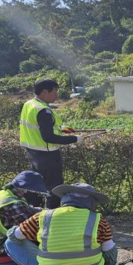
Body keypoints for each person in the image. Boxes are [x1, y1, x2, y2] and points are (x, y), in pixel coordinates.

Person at [4, 183, 119, 265]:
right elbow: (110, 253)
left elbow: (15, 236)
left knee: (10, 242)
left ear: (64, 198)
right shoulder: (98, 219)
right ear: (92, 202)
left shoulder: (43, 216)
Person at [20, 78, 84, 208]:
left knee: (37, 185)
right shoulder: (44, 111)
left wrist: (65, 129)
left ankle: (34, 214)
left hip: (33, 153)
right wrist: (75, 139)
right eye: (55, 91)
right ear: (44, 92)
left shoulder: (30, 104)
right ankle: (51, 215)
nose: (57, 94)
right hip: (48, 155)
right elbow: (48, 137)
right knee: (54, 188)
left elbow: (43, 127)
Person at [0, 171, 48, 257]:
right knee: (40, 237)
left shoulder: (2, 194)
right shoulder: (14, 203)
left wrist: (42, 211)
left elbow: (27, 209)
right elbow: (30, 228)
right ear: (25, 188)